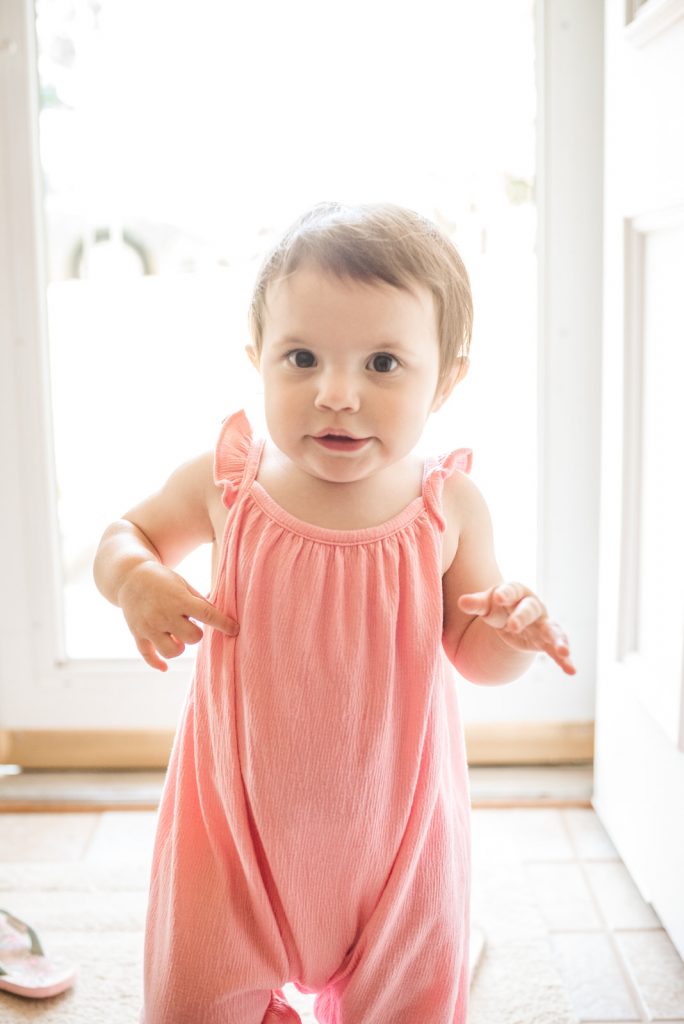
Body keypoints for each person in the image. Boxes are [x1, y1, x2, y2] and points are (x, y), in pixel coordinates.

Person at [93, 201, 575, 1024]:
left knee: (411, 1004)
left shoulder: (448, 506)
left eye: (384, 363)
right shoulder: (228, 482)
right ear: (258, 360)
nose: (338, 394)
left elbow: (475, 654)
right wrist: (134, 575)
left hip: (399, 847)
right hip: (234, 840)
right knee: (195, 999)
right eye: (303, 357)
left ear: (446, 379)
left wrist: (509, 631)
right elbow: (124, 533)